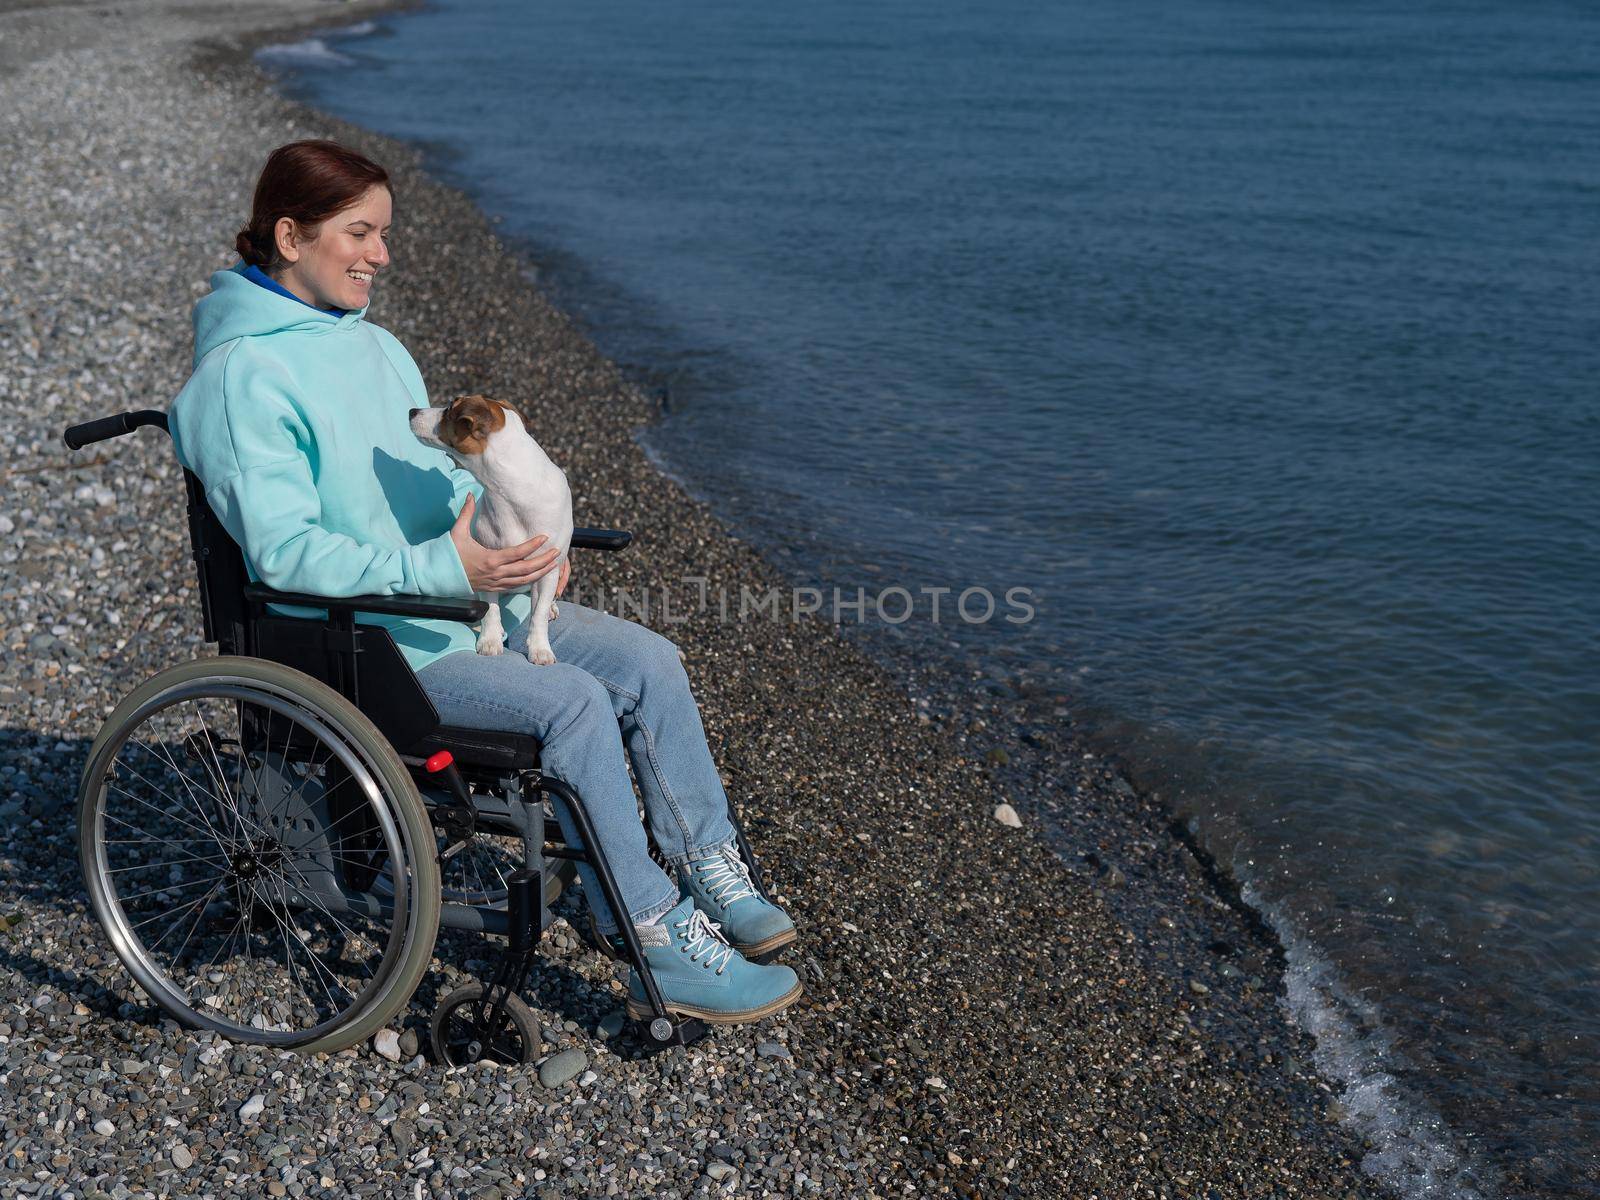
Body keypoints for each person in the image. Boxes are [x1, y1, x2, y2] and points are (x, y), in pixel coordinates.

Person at [168, 140, 800, 1025]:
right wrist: (445, 568)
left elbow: (448, 480)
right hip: (372, 643)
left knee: (651, 660)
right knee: (575, 703)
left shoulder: (376, 346)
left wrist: (526, 543)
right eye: (360, 233)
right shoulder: (239, 379)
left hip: (471, 601)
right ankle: (656, 931)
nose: (381, 255)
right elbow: (282, 556)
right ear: (289, 235)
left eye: (384, 233)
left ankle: (707, 866)